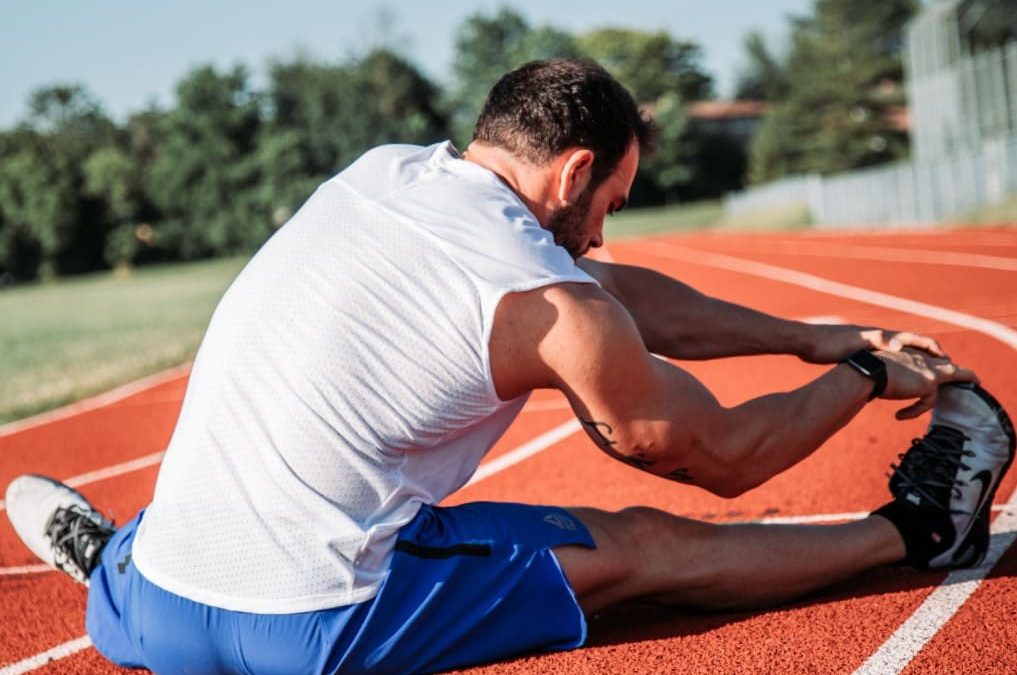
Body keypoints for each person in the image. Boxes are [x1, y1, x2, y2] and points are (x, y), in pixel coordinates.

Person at [6, 59, 1015, 675]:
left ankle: (111, 567)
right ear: (576, 173)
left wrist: (809, 335)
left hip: (162, 613)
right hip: (313, 627)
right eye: (611, 201)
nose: (606, 227)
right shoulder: (548, 302)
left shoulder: (383, 175)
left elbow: (619, 296)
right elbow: (722, 455)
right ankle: (917, 533)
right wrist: (867, 379)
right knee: (645, 548)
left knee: (226, 487)